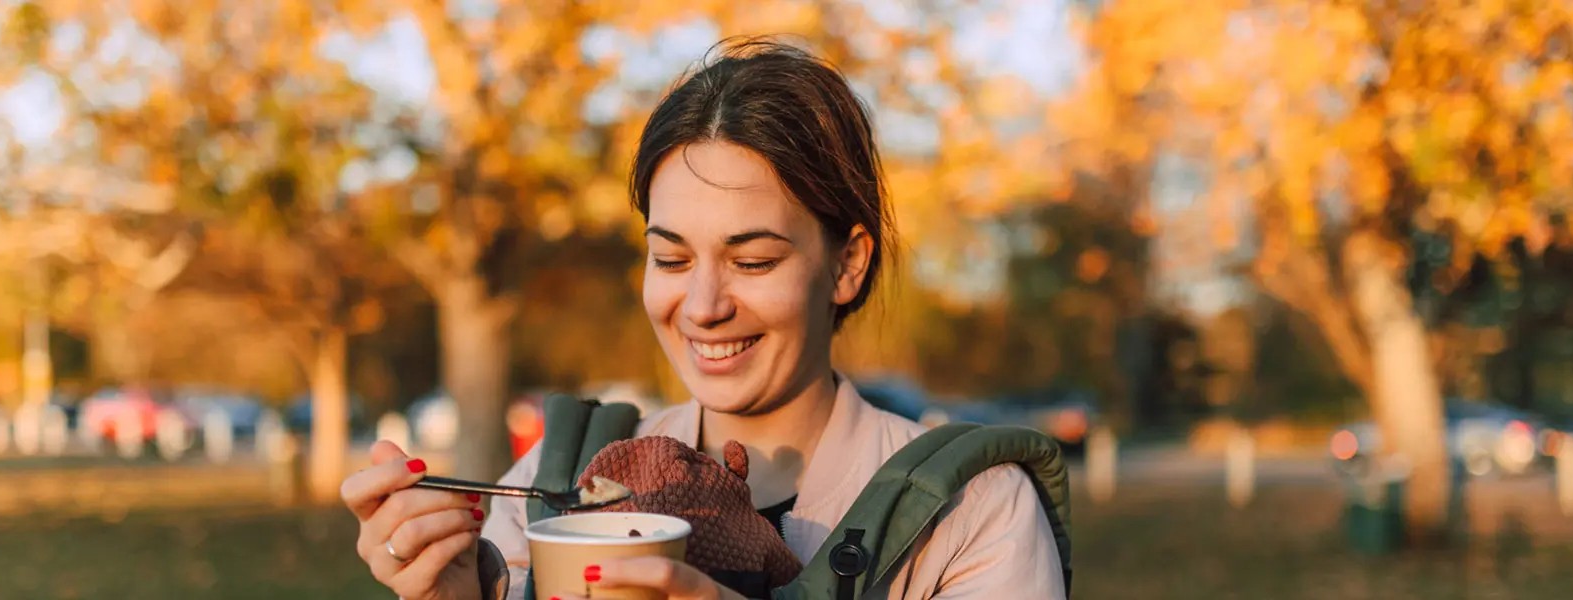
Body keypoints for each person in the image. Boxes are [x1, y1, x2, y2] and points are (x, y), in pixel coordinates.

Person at [339, 38, 1065, 600]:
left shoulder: (971, 510)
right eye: (673, 259)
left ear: (846, 264)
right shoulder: (559, 476)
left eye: (753, 261)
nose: (705, 306)